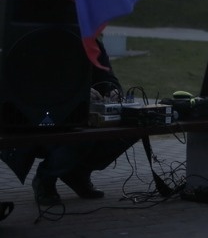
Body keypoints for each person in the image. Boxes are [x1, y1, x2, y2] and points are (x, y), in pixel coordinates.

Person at [1, 38, 136, 207]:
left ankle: (77, 173)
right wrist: (78, 93)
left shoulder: (93, 43)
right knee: (80, 134)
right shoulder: (40, 40)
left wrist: (113, 89)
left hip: (82, 116)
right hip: (40, 119)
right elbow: (34, 84)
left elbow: (107, 76)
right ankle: (46, 178)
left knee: (134, 127)